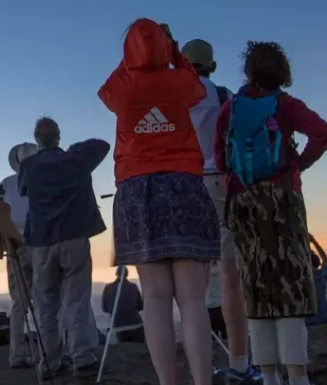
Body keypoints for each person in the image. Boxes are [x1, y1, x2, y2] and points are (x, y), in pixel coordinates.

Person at [99, 19, 220, 385]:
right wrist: (173, 52)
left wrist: (135, 55)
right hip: (184, 183)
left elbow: (107, 89)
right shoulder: (181, 81)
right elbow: (197, 89)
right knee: (193, 301)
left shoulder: (122, 87)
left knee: (154, 298)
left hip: (137, 190)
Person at [215, 41, 327, 385]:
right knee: (290, 289)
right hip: (283, 201)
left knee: (255, 288)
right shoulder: (286, 105)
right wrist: (297, 165)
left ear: (248, 71)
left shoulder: (230, 110)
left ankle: (268, 377)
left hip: (243, 204)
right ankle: (297, 377)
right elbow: (322, 133)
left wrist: (240, 184)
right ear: (281, 71)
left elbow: (221, 159)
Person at [181, 38, 260, 382]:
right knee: (231, 278)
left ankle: (201, 368)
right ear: (211, 66)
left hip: (181, 187)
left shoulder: (171, 96)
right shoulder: (224, 95)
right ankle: (240, 364)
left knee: (190, 286)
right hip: (218, 184)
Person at [19, 116, 109, 380]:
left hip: (41, 242)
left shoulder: (29, 165)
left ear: (36, 140)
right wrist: (71, 150)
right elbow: (101, 144)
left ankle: (50, 362)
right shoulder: (75, 160)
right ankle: (82, 357)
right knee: (77, 299)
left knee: (46, 304)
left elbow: (24, 190)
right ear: (58, 136)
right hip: (74, 237)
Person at [2, 142, 38, 369]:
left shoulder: (6, 184)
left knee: (18, 303)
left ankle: (16, 355)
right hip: (39, 243)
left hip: (13, 244)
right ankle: (49, 353)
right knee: (45, 299)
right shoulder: (43, 180)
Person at [101, 267, 145, 342]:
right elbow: (141, 306)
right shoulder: (133, 287)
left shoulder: (108, 288)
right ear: (127, 274)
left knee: (124, 347)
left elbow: (104, 309)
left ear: (116, 274)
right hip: (135, 325)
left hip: (118, 326)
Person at [306, 235, 327, 326]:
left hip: (309, 320)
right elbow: (325, 259)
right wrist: (313, 241)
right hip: (323, 317)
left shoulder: (304, 277)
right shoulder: (322, 276)